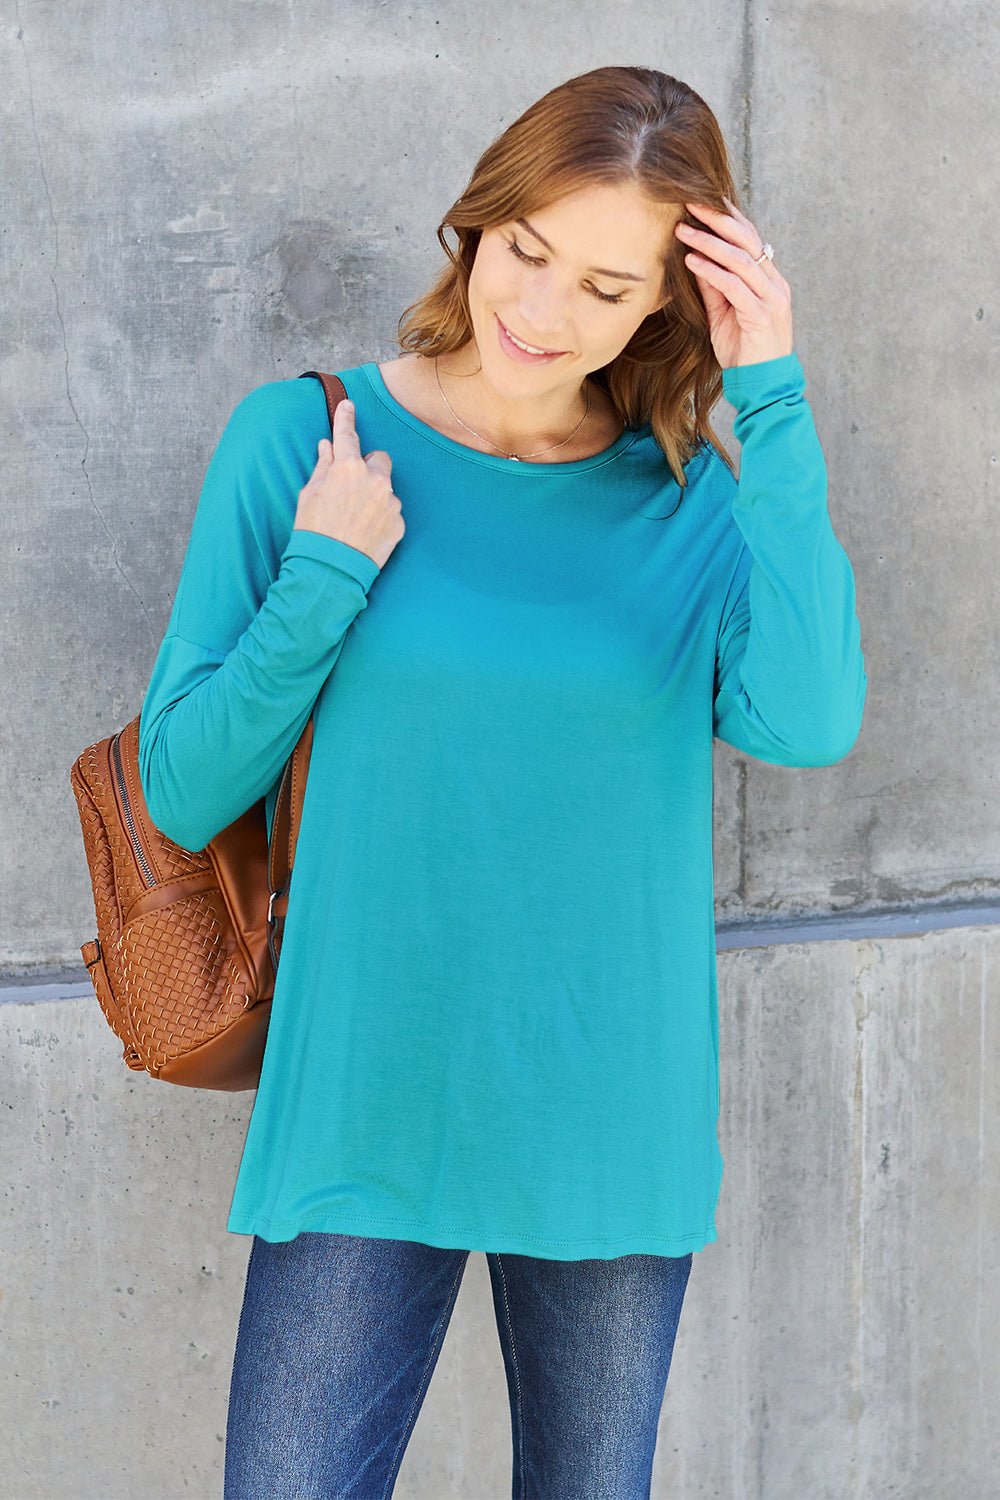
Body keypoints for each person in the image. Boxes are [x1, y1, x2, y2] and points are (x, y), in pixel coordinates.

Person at [138, 64, 865, 1500]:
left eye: (606, 289)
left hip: (609, 1110)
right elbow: (178, 786)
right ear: (480, 222)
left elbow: (807, 719)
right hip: (366, 1093)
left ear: (668, 305)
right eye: (527, 253)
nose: (541, 314)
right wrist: (323, 582)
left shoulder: (686, 503)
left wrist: (771, 402)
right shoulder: (307, 440)